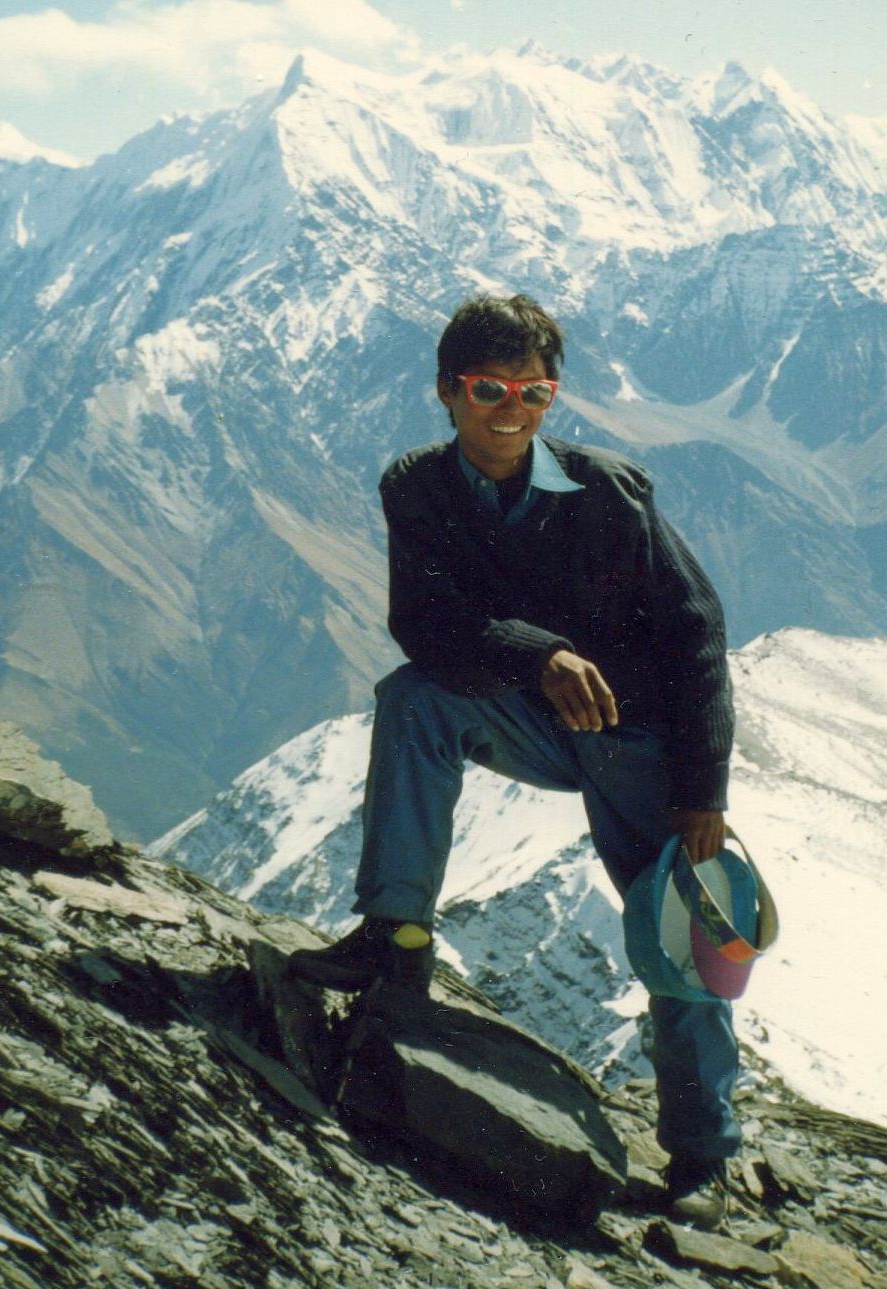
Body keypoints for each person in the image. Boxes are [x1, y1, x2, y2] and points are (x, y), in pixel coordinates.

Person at [289, 293, 739, 1228]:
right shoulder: (415, 487)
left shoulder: (610, 491)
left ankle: (704, 1154)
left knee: (679, 919)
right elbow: (422, 624)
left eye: (535, 391)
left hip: (640, 735)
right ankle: (396, 941)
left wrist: (701, 790)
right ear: (448, 392)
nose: (513, 410)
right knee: (414, 699)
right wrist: (538, 654)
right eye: (490, 388)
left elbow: (697, 632)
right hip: (534, 709)